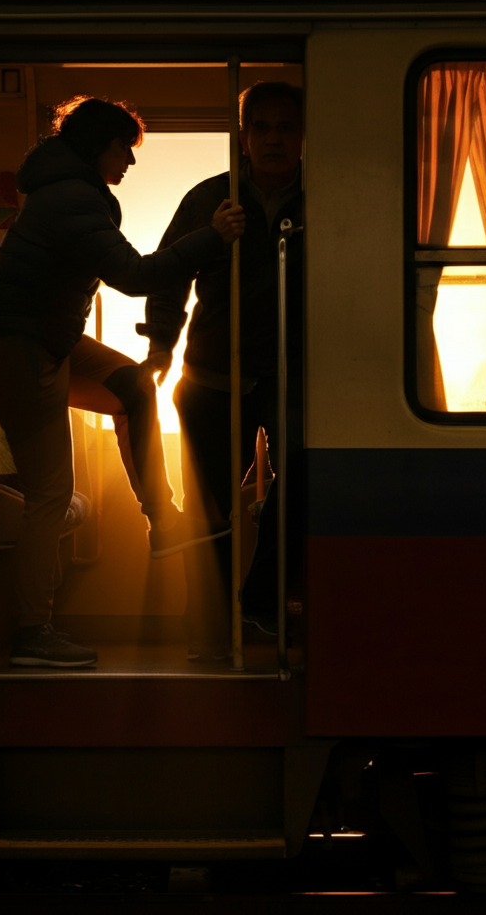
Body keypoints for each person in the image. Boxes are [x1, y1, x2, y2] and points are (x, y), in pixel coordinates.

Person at [0, 96, 246, 668]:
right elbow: (134, 276)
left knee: (134, 385)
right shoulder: (72, 199)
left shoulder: (69, 193)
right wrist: (214, 236)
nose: (130, 163)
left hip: (48, 337)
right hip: (21, 346)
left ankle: (162, 520)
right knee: (50, 495)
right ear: (96, 146)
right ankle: (33, 631)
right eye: (123, 150)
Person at [140, 82, 305, 660]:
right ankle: (209, 631)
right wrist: (161, 343)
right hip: (213, 373)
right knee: (208, 513)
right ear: (244, 135)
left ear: (303, 134)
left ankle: (260, 601)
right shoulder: (211, 198)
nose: (274, 139)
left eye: (286, 127)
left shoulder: (325, 198)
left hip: (297, 376)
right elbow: (170, 273)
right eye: (262, 127)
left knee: (308, 481)